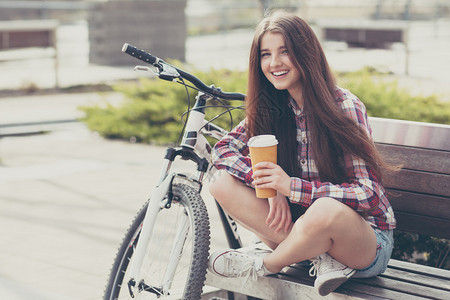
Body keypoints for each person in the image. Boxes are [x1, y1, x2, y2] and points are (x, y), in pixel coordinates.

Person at [208, 11, 396, 296]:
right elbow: (222, 149)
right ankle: (319, 258)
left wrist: (291, 187)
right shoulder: (271, 107)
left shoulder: (343, 105)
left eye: (285, 51)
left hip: (365, 243)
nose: (274, 63)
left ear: (306, 53)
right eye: (265, 54)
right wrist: (271, 186)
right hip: (303, 233)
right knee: (221, 183)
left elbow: (368, 194)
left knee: (324, 208)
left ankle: (264, 266)